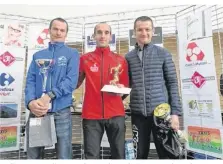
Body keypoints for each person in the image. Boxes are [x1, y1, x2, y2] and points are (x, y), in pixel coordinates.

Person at [125, 16, 182, 159]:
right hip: (138, 116)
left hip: (162, 116)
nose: (144, 33)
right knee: (140, 155)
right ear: (134, 32)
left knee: (167, 154)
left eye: (147, 29)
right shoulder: (128, 57)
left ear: (153, 31)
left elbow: (173, 83)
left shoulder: (163, 53)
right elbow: (127, 85)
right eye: (140, 30)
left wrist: (175, 113)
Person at [25, 17, 80, 159]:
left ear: (66, 34)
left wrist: (49, 95)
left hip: (61, 111)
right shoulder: (38, 55)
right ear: (49, 31)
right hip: (38, 110)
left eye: (62, 30)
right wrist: (30, 102)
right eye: (55, 29)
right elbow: (30, 80)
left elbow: (71, 81)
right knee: (34, 154)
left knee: (63, 154)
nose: (58, 32)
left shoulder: (72, 54)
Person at [76, 22, 129, 159]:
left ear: (111, 36)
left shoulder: (120, 60)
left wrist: (121, 90)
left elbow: (125, 86)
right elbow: (75, 83)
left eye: (106, 33)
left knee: (119, 155)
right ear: (94, 36)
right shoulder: (85, 59)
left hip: (116, 114)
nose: (102, 36)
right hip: (91, 116)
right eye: (99, 32)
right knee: (91, 156)